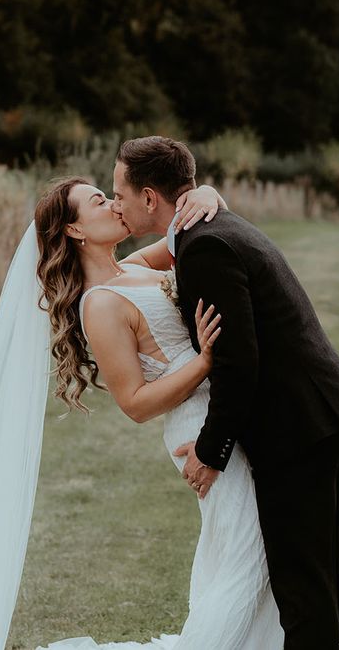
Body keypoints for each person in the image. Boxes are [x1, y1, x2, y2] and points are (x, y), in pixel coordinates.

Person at [110, 137, 339, 650]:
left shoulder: (203, 244)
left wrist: (210, 451)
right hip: (321, 409)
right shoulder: (200, 230)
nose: (114, 201)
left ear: (148, 198)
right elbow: (122, 274)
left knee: (301, 585)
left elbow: (238, 362)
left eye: (119, 192)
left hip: (297, 422)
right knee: (318, 573)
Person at [34, 175, 285, 649]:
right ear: (74, 231)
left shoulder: (132, 267)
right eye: (98, 201)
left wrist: (209, 194)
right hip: (195, 427)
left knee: (239, 552)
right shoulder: (100, 306)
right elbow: (134, 403)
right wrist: (207, 362)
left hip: (225, 415)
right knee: (250, 556)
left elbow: (185, 237)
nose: (113, 204)